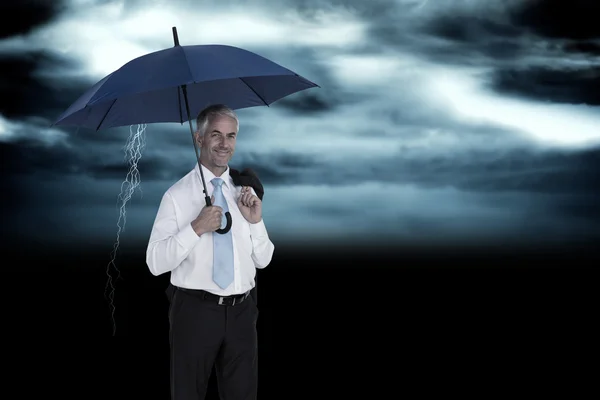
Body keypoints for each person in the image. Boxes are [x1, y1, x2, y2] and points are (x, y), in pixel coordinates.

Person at [146, 104, 275, 400]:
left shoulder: (245, 191)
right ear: (199, 138)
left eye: (230, 136)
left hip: (243, 312)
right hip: (195, 312)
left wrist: (255, 223)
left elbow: (264, 259)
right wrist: (196, 227)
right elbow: (154, 262)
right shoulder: (176, 196)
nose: (224, 143)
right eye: (215, 134)